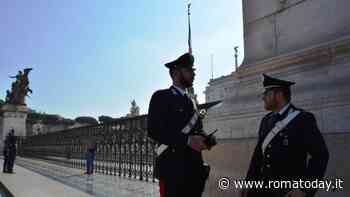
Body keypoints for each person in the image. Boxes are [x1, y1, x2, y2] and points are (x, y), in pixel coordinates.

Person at [241, 74, 329, 197]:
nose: (263, 97)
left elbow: (320, 155)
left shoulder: (302, 119)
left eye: (266, 93)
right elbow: (258, 156)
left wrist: (304, 188)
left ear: (279, 94)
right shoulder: (266, 120)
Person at [147, 53, 215, 197]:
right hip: (172, 172)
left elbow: (198, 129)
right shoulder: (161, 97)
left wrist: (206, 140)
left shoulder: (192, 102)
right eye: (189, 70)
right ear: (176, 73)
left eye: (193, 71)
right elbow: (154, 130)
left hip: (195, 172)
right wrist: (187, 140)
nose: (194, 74)